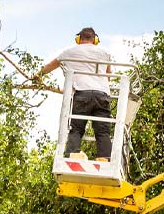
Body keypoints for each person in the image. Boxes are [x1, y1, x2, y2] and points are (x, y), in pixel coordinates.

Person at [38, 27, 114, 160]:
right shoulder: (104, 52)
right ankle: (105, 158)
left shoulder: (69, 52)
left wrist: (37, 76)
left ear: (79, 39)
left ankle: (72, 155)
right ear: (95, 40)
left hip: (82, 95)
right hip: (102, 95)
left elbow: (50, 66)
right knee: (103, 131)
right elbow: (108, 76)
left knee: (77, 128)